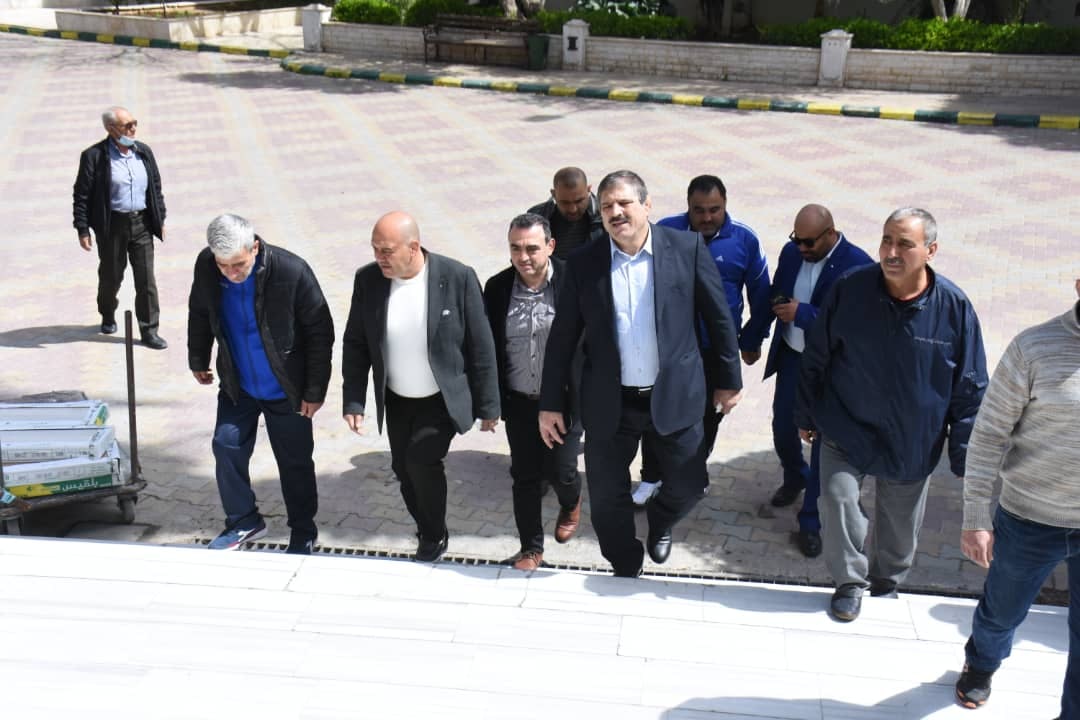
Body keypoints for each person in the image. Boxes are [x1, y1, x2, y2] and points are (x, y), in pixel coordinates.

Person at [539, 170, 742, 578]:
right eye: (608, 206)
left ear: (647, 206)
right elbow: (562, 337)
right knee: (607, 504)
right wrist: (550, 404)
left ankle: (661, 521)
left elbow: (718, 317)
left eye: (624, 203)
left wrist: (729, 380)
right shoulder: (583, 263)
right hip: (610, 402)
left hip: (675, 394)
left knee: (688, 485)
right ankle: (626, 567)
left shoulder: (686, 249)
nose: (615, 212)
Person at [795, 207, 988, 622]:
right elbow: (816, 357)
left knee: (899, 528)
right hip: (846, 425)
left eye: (905, 244)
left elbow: (970, 389)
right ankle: (849, 582)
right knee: (837, 500)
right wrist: (806, 413)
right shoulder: (850, 289)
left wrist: (964, 456)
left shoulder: (954, 309)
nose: (892, 252)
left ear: (931, 250)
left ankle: (885, 582)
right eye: (887, 240)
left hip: (912, 438)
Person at [342, 211, 500, 563]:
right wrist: (354, 400)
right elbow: (356, 342)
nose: (379, 258)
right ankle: (427, 525)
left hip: (441, 398)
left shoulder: (456, 277)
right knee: (402, 469)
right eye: (375, 249)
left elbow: (481, 345)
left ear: (413, 247)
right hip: (397, 398)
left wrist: (489, 406)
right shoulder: (368, 280)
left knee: (421, 461)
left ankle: (433, 535)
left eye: (387, 250)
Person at [954, 277, 1080, 715]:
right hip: (1030, 520)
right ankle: (981, 664)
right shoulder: (1034, 347)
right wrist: (975, 517)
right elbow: (988, 435)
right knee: (1001, 615)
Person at [188, 214, 334, 554]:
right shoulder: (206, 265)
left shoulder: (291, 271)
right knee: (226, 446)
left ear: (254, 247)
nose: (231, 273)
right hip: (238, 384)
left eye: (238, 265)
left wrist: (315, 390)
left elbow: (320, 332)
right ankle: (243, 520)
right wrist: (198, 357)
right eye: (224, 266)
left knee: (295, 461)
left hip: (287, 389)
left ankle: (303, 530)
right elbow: (200, 310)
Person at [633, 174, 771, 506]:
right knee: (657, 412)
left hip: (715, 349)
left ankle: (692, 473)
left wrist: (752, 340)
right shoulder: (665, 231)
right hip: (669, 348)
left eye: (714, 210)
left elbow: (762, 294)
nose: (707, 217)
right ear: (688, 206)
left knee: (708, 416)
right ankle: (651, 477)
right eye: (699, 210)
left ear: (725, 205)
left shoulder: (745, 240)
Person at [762, 204, 873, 558]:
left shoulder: (859, 266)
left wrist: (804, 313)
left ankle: (810, 522)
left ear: (830, 234)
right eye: (797, 240)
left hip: (830, 371)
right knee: (783, 428)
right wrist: (752, 337)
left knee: (823, 444)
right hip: (793, 360)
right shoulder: (792, 253)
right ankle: (796, 475)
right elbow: (776, 292)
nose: (801, 248)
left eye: (809, 243)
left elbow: (856, 324)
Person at [483, 213, 583, 571]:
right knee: (524, 476)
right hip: (520, 402)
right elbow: (487, 348)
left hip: (564, 402)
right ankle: (530, 548)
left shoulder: (574, 280)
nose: (523, 257)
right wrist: (489, 403)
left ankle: (570, 502)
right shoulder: (497, 288)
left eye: (531, 248)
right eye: (515, 248)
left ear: (550, 246)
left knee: (561, 470)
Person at [73, 106, 168, 349]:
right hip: (112, 226)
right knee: (111, 276)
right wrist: (82, 229)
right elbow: (82, 195)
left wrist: (160, 219)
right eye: (127, 125)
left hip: (142, 224)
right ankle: (107, 313)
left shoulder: (143, 152)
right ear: (110, 128)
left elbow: (155, 187)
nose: (133, 128)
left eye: (135, 123)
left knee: (146, 280)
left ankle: (149, 330)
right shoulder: (94, 156)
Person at [527, 167, 605, 259]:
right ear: (553, 194)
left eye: (579, 201)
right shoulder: (536, 218)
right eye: (565, 203)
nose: (573, 209)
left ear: (588, 190)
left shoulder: (605, 215)